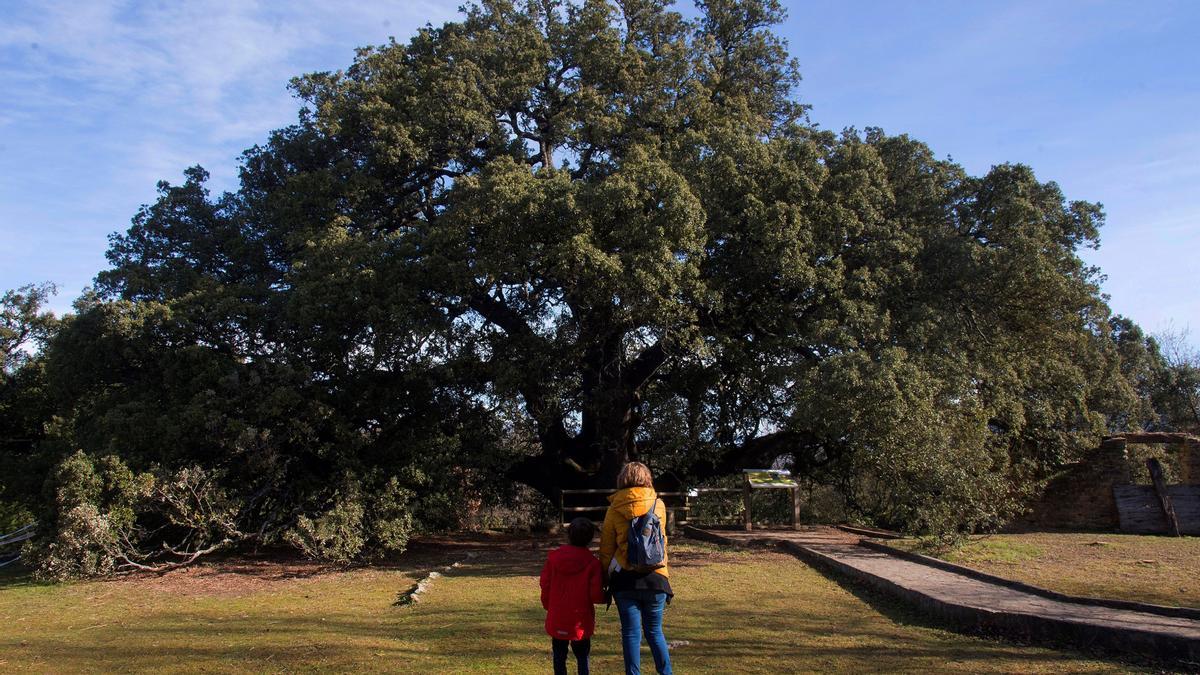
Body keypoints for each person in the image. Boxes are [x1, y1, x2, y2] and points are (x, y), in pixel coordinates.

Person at [600, 461, 673, 675]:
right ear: (647, 478)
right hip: (655, 577)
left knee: (631, 634)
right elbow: (662, 541)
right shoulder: (658, 505)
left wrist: (604, 579)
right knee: (655, 632)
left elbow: (606, 547)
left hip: (625, 580)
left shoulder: (614, 508)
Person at [540, 517, 604, 675]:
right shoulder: (592, 563)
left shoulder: (554, 559)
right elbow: (596, 595)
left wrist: (549, 605)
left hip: (558, 614)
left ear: (569, 535)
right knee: (582, 657)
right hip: (580, 618)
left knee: (559, 656)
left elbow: (545, 584)